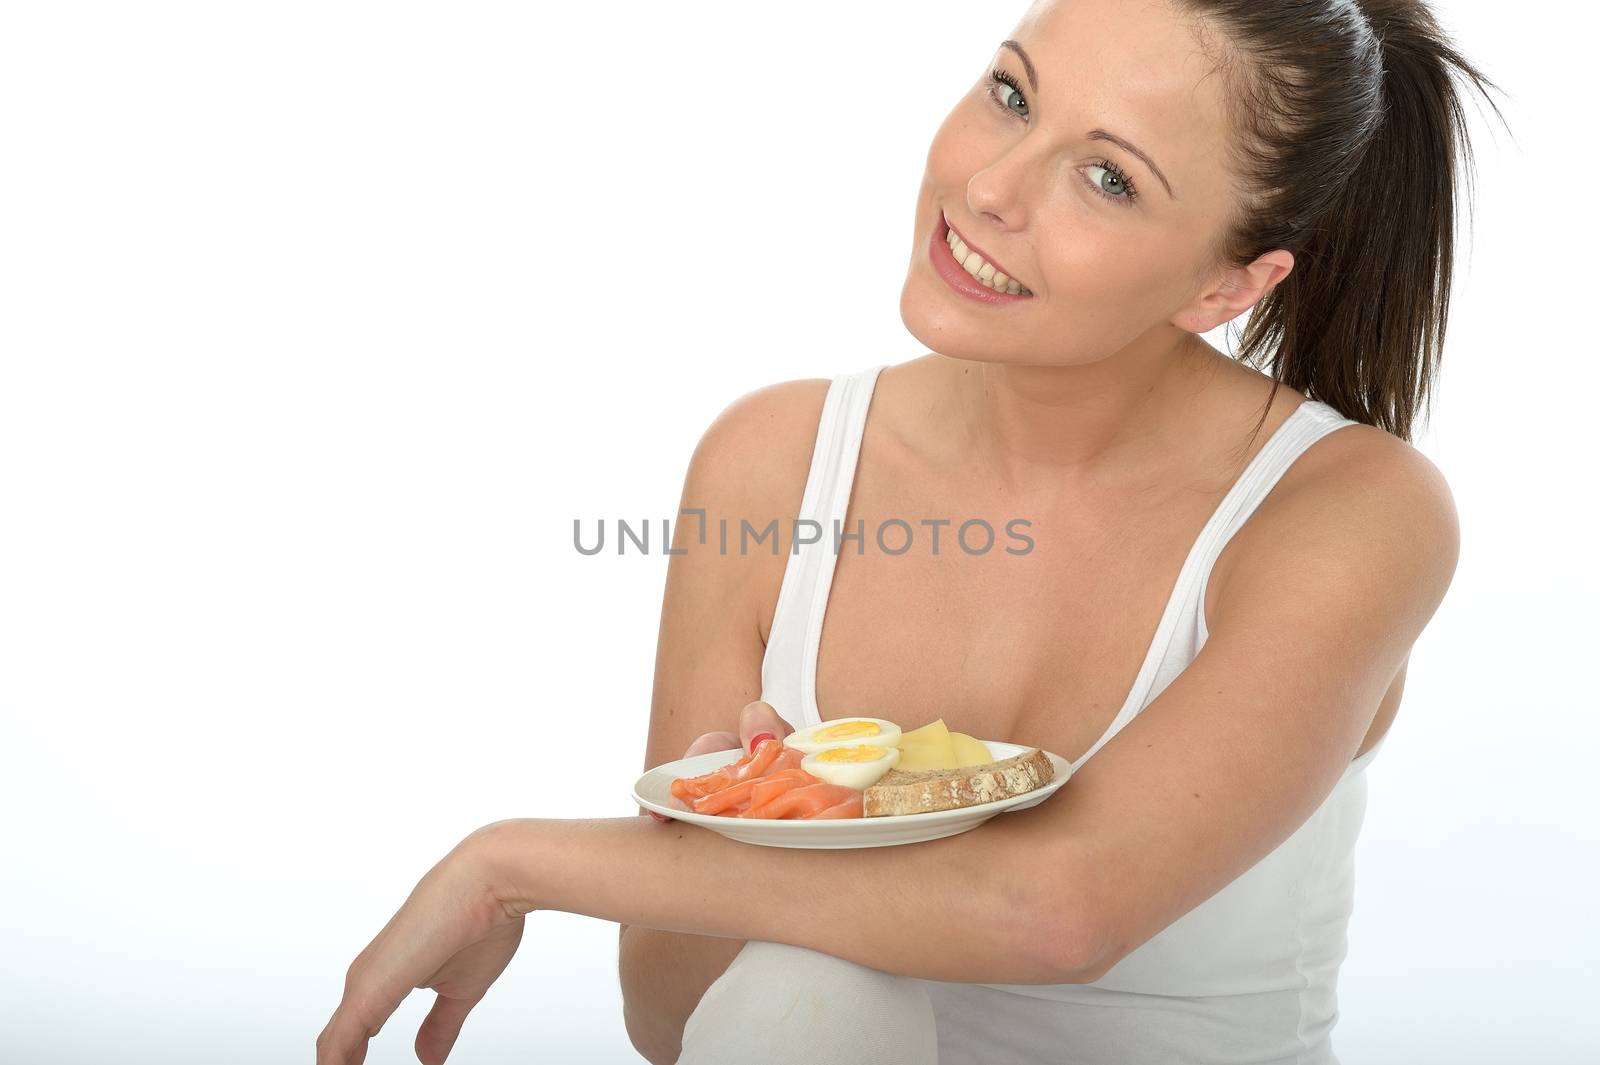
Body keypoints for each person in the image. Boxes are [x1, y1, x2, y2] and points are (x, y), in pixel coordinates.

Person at [316, 1, 1503, 1063]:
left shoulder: (1349, 509)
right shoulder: (772, 461)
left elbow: (1062, 912)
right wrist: (762, 818)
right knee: (800, 990)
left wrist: (510, 863)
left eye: (1108, 178)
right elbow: (670, 1017)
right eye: (1010, 94)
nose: (991, 187)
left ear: (1226, 289)